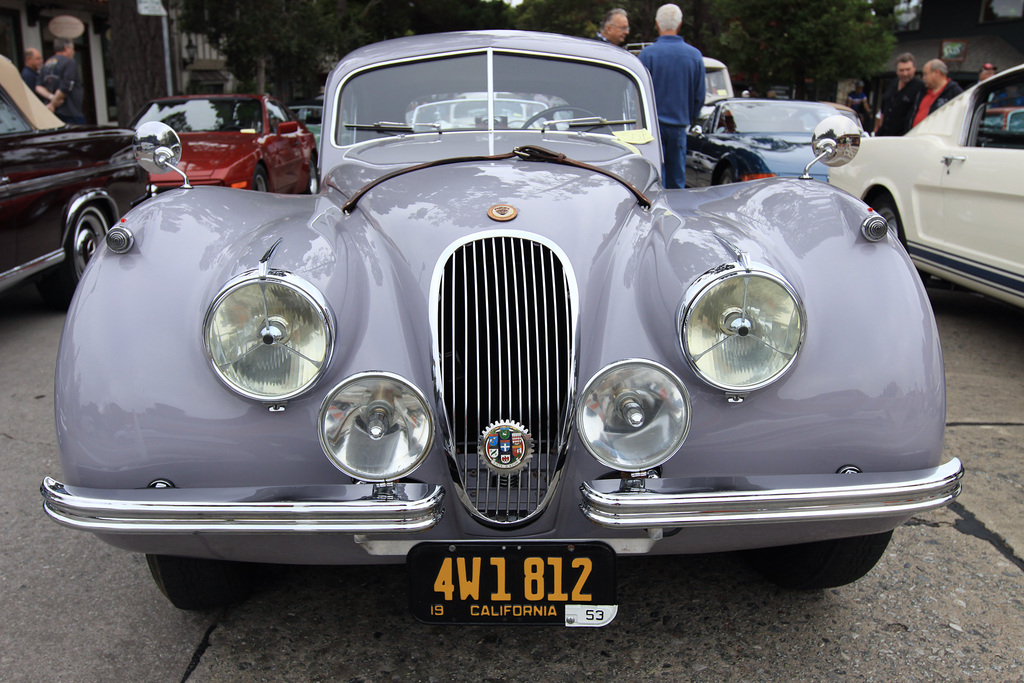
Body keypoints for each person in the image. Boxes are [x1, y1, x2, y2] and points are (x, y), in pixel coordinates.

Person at [638, 4, 705, 189]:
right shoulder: (694, 56)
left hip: (651, 130)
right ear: (680, 24)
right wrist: (690, 117)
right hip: (678, 127)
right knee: (677, 181)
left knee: (652, 180)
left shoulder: (647, 55)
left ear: (657, 24)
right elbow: (699, 97)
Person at [875, 53, 925, 136]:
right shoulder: (893, 83)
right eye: (901, 70)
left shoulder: (920, 87)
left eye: (908, 69)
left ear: (914, 69)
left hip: (903, 135)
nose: (905, 73)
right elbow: (883, 107)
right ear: (897, 71)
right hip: (884, 132)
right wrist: (877, 127)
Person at [39, 38, 85, 124]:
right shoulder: (70, 62)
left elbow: (38, 87)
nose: (73, 52)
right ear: (66, 48)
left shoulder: (47, 64)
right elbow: (66, 86)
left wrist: (51, 98)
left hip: (52, 113)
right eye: (72, 48)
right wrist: (53, 103)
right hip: (71, 112)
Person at [909, 59, 963, 130]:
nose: (923, 78)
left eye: (925, 74)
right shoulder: (921, 92)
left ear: (937, 72)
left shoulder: (955, 93)